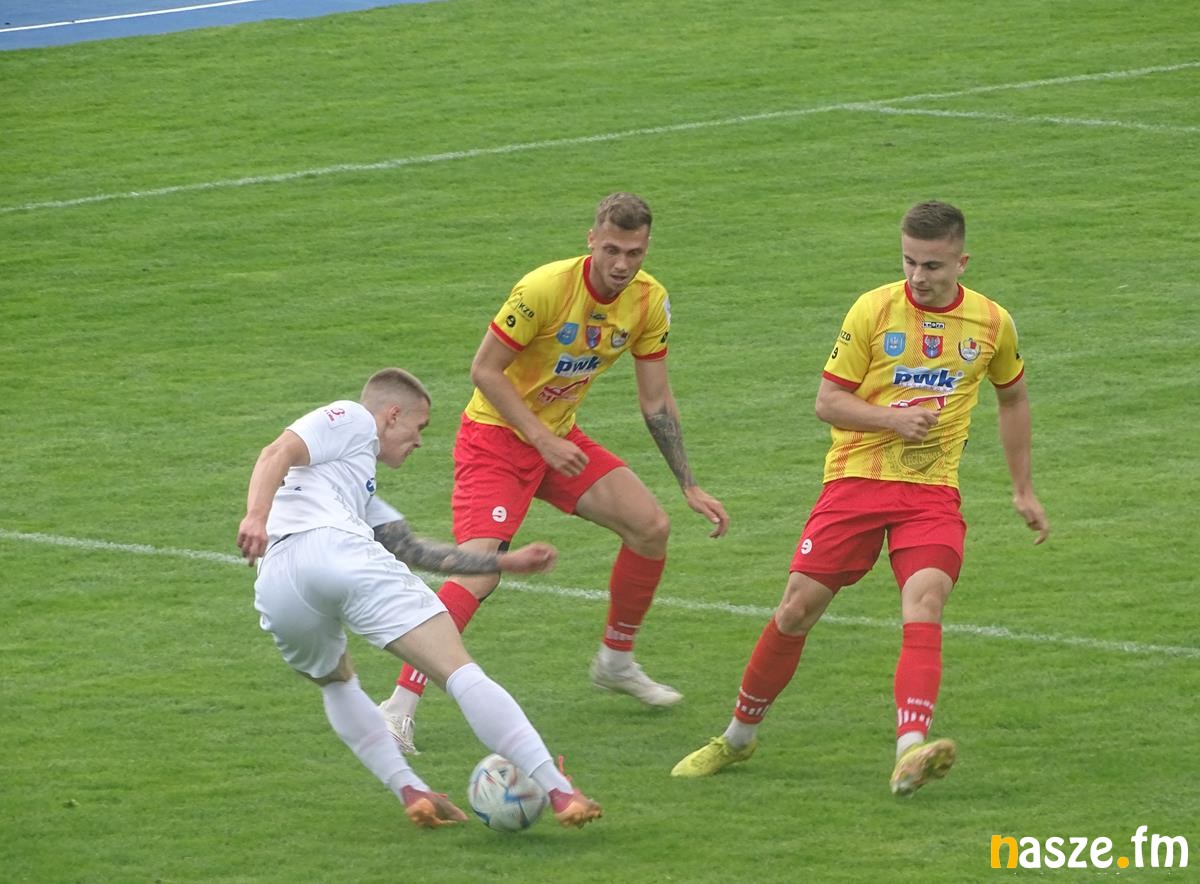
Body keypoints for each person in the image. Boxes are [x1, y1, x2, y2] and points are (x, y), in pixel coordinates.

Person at [671, 201, 1049, 796]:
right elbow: (827, 401)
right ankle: (738, 737)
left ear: (961, 262)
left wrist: (1022, 488)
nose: (918, 276)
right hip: (855, 482)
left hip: (931, 492)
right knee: (796, 610)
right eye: (909, 261)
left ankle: (910, 750)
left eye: (932, 265)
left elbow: (1013, 398)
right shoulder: (872, 310)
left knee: (925, 599)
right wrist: (891, 420)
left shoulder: (992, 323)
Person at [379, 192, 730, 754]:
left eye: (634, 252)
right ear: (591, 240)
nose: (622, 264)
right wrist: (540, 438)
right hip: (497, 440)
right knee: (478, 571)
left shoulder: (649, 302)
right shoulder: (543, 289)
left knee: (650, 527)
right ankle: (398, 707)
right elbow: (484, 370)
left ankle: (615, 661)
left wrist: (688, 483)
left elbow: (656, 401)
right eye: (611, 250)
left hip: (558, 441)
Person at [236, 367, 601, 828]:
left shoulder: (353, 487)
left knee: (335, 679)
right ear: (392, 415)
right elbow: (276, 451)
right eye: (419, 426)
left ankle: (410, 789)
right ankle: (559, 790)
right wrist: (255, 516)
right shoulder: (353, 417)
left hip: (279, 580)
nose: (419, 441)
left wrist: (506, 561)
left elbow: (412, 550)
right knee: (457, 669)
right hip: (334, 547)